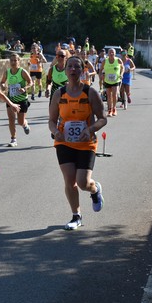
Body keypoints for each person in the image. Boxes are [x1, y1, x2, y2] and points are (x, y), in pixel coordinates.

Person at [48, 55, 107, 230]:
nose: (73, 70)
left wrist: (90, 130)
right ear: (65, 70)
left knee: (82, 183)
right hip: (64, 143)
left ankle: (95, 189)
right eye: (70, 67)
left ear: (82, 71)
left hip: (86, 143)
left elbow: (103, 119)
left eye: (77, 67)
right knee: (69, 181)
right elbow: (51, 120)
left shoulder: (90, 92)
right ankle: (76, 216)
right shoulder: (59, 93)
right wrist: (56, 132)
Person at [0, 53, 33, 147]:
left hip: (22, 99)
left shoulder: (22, 72)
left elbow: (30, 82)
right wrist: (3, 86)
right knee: (11, 119)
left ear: (19, 61)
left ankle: (25, 125)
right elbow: (2, 82)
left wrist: (25, 88)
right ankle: (13, 139)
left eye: (15, 60)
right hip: (11, 99)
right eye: (12, 60)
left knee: (20, 121)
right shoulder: (7, 72)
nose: (13, 62)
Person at [102, 48, 123, 116]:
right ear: (108, 54)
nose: (111, 54)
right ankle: (109, 110)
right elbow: (101, 69)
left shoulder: (118, 60)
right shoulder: (105, 61)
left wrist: (121, 74)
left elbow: (123, 67)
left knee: (114, 94)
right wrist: (100, 75)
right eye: (110, 52)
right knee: (109, 96)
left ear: (115, 53)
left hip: (116, 80)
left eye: (112, 52)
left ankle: (114, 108)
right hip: (107, 80)